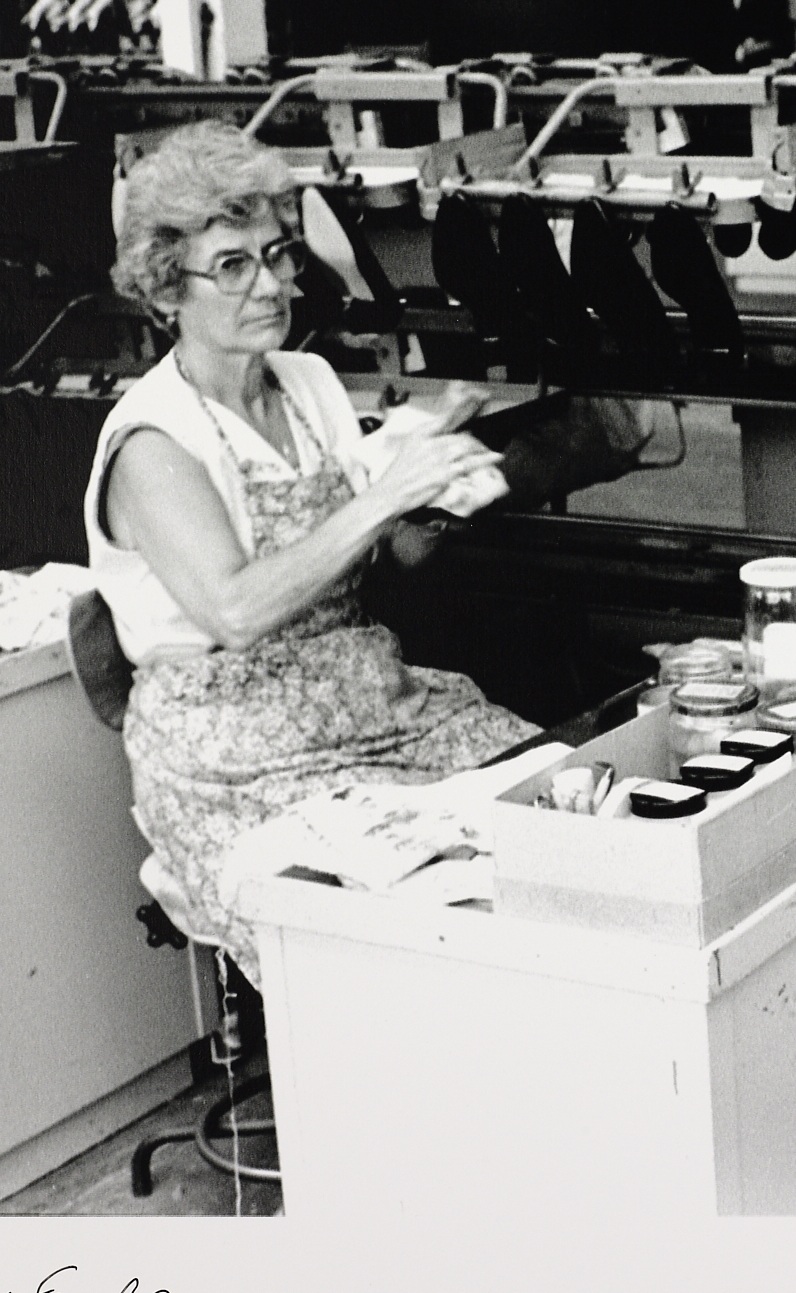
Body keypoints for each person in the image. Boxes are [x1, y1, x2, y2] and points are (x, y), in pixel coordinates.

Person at [83, 122, 536, 980]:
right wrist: (383, 496)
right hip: (231, 755)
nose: (271, 284)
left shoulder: (310, 383)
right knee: (392, 941)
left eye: (278, 253)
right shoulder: (152, 439)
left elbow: (385, 562)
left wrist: (430, 503)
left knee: (547, 816)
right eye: (232, 265)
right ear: (162, 287)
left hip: (370, 700)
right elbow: (237, 608)